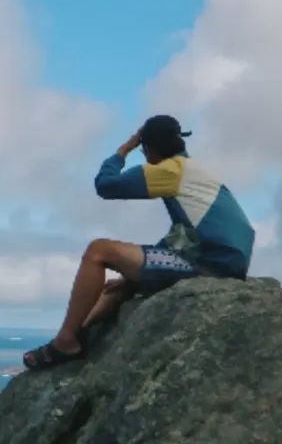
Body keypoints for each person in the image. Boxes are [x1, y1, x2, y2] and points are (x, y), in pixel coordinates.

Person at [23, 114, 254, 370]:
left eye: (143, 149)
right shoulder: (195, 172)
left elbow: (106, 185)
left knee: (98, 251)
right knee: (119, 286)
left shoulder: (171, 171)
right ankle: (82, 335)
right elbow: (185, 233)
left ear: (147, 148)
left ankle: (66, 341)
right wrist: (133, 273)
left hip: (211, 264)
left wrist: (123, 150)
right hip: (225, 260)